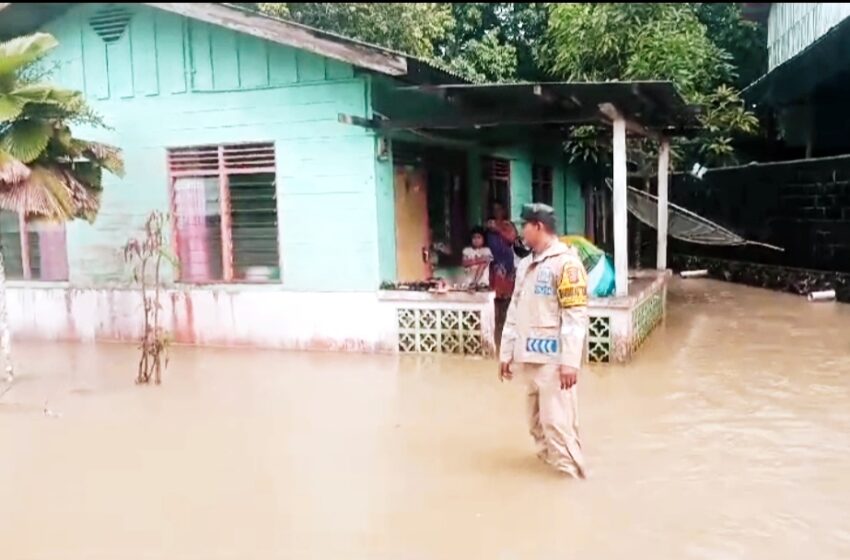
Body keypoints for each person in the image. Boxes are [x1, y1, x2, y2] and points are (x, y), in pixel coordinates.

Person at [498, 203, 589, 478]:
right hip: (529, 359)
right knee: (537, 426)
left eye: (524, 225)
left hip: (555, 363)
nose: (520, 231)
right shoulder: (526, 264)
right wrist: (506, 354)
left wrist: (570, 363)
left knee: (557, 427)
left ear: (538, 226)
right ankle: (551, 487)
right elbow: (514, 311)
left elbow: (575, 316)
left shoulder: (566, 264)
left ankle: (571, 481)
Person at [485, 202, 519, 342]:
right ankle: (496, 328)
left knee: (507, 298)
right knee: (494, 296)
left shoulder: (507, 225)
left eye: (499, 209)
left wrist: (498, 229)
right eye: (494, 209)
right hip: (494, 261)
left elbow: (512, 238)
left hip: (506, 261)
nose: (497, 211)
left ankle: (506, 327)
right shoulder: (488, 224)